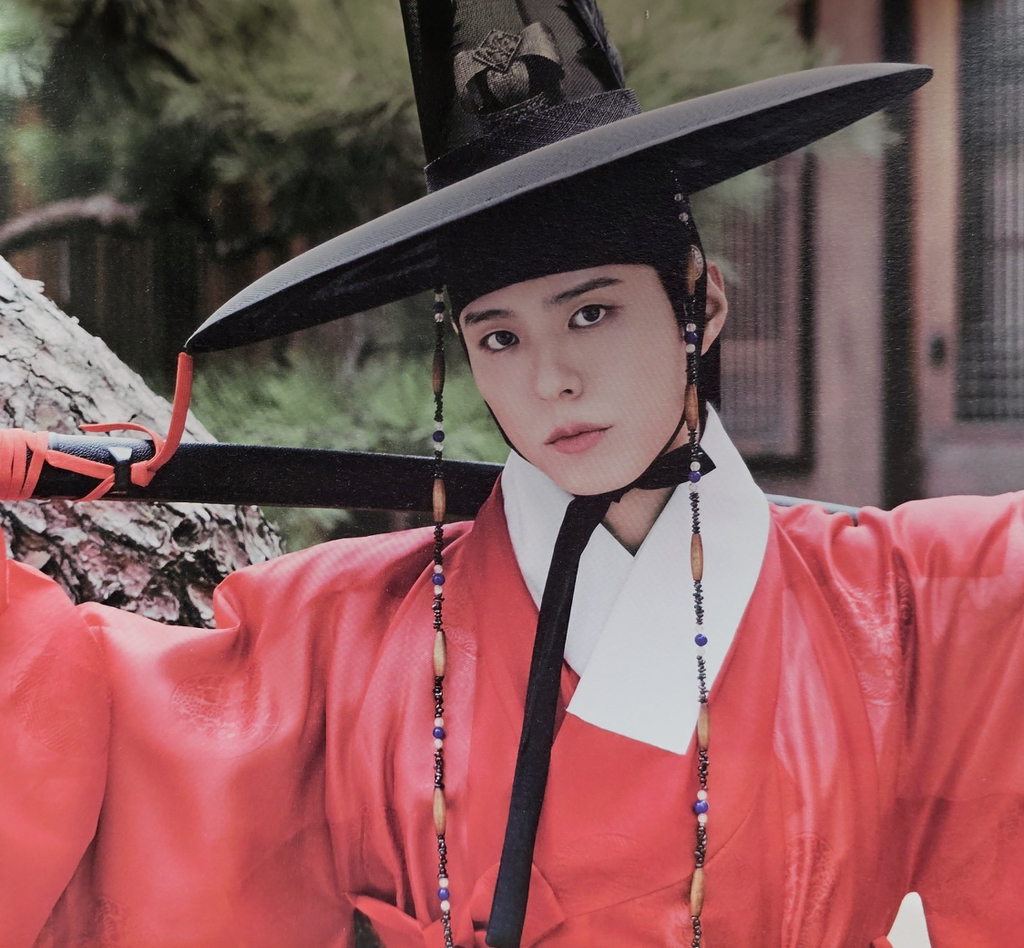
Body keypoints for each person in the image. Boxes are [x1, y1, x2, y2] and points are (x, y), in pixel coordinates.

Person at [2, 1, 1022, 947]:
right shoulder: (342, 634)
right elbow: (82, 734)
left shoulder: (904, 607)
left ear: (699, 302)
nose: (550, 379)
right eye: (498, 336)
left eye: (592, 312)